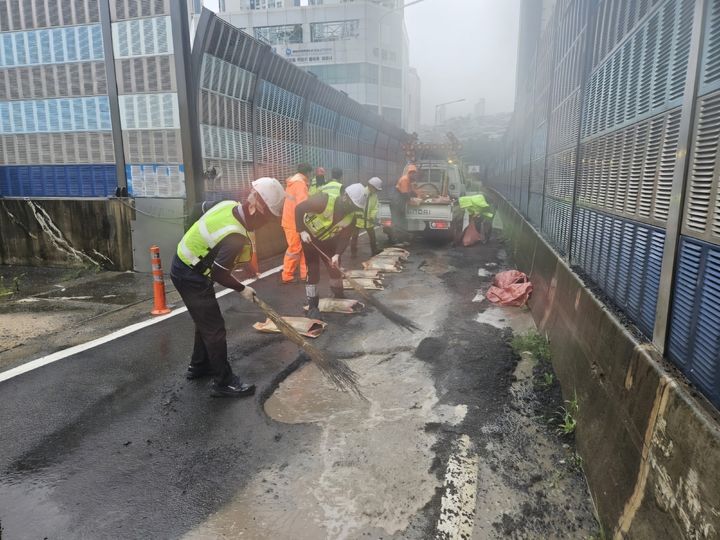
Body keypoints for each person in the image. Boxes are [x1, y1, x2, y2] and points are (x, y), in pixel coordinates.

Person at [170, 177, 285, 398]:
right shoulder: (235, 236)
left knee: (204, 320)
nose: (264, 224)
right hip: (190, 274)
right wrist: (243, 289)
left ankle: (199, 365)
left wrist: (189, 237)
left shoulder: (228, 205)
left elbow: (197, 209)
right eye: (266, 218)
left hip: (184, 263)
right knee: (215, 329)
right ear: (255, 209)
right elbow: (219, 273)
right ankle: (224, 382)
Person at [295, 183, 368, 319]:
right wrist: (301, 230)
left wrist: (337, 254)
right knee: (313, 271)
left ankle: (338, 295)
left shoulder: (351, 217)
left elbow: (345, 237)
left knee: (334, 267)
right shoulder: (324, 200)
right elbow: (299, 209)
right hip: (309, 238)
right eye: (352, 205)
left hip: (327, 240)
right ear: (345, 197)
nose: (353, 209)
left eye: (356, 207)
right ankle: (313, 306)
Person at [281, 163, 313, 284]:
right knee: (294, 249)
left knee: (303, 247)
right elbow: (303, 205)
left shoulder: (294, 182)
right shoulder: (300, 184)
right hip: (293, 222)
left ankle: (305, 274)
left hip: (290, 220)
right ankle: (287, 275)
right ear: (308, 173)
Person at [350, 176, 383, 257]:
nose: (376, 191)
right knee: (354, 237)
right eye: (376, 189)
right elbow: (356, 204)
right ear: (371, 186)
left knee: (372, 236)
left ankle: (374, 250)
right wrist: (359, 214)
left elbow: (375, 207)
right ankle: (353, 253)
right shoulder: (361, 193)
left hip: (368, 220)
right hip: (358, 219)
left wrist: (372, 216)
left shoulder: (374, 195)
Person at [389, 164, 420, 244]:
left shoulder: (409, 180)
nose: (414, 175)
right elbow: (404, 193)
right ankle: (396, 241)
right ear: (409, 173)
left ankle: (402, 239)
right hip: (397, 202)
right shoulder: (405, 179)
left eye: (415, 173)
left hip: (400, 201)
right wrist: (411, 200)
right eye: (413, 173)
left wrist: (417, 195)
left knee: (402, 221)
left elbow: (411, 191)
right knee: (397, 221)